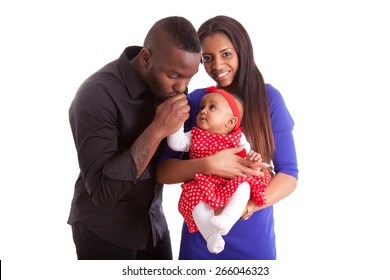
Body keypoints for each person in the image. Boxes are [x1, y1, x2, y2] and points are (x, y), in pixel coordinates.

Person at [157, 15, 298, 260]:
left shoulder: (268, 99)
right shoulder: (198, 103)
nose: (217, 66)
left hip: (253, 235)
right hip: (201, 234)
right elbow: (164, 172)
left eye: (226, 54)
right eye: (207, 58)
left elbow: (289, 174)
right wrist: (208, 164)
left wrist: (247, 207)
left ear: (242, 51)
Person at [67, 16, 202, 260]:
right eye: (174, 76)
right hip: (104, 232)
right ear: (146, 58)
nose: (182, 87)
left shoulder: (172, 86)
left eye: (190, 77)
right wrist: (158, 128)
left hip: (153, 226)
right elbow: (102, 193)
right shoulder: (96, 95)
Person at [167, 86, 271, 254]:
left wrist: (253, 159)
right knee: (194, 199)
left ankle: (227, 220)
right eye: (202, 107)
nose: (203, 111)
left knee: (244, 186)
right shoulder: (195, 135)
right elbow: (176, 143)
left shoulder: (238, 138)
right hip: (202, 183)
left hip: (229, 181)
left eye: (212, 107)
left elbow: (247, 157)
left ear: (230, 122)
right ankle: (210, 235)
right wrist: (177, 121)